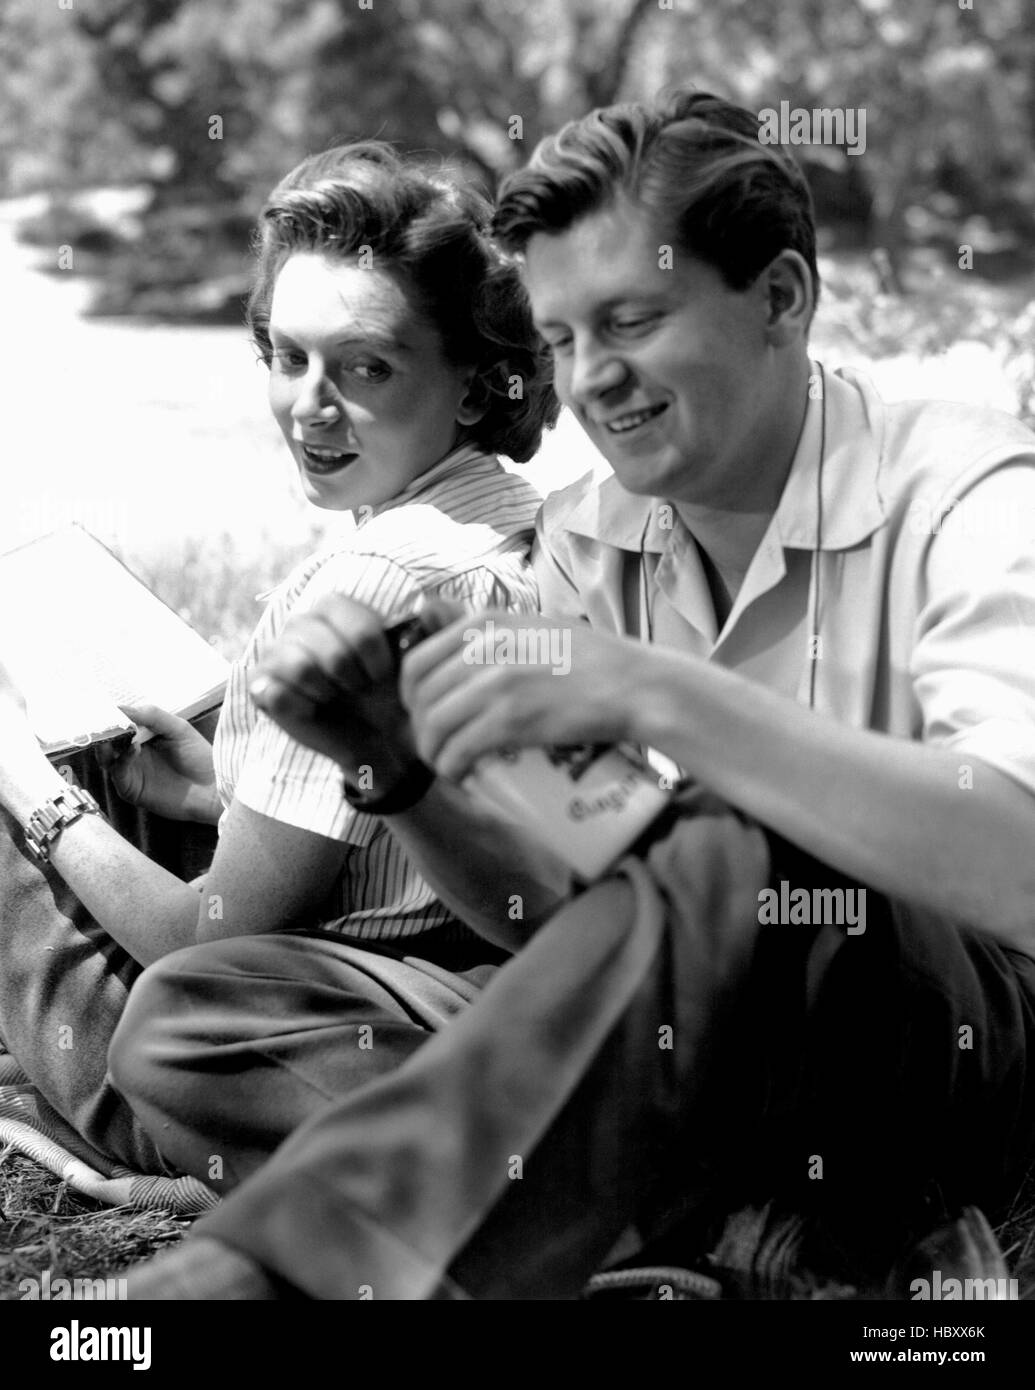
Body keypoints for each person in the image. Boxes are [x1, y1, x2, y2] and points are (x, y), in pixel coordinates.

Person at [120, 90, 1035, 1299]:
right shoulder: (583, 540)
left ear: (781, 299)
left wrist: (662, 697)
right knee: (197, 1006)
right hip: (681, 1027)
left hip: (945, 1034)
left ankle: (288, 1269)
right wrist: (391, 769)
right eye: (560, 339)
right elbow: (546, 905)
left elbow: (1018, 855)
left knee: (737, 857)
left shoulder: (966, 490)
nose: (594, 379)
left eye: (631, 321)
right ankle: (724, 1233)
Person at [0, 142, 556, 1177]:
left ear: (477, 389)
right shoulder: (529, 531)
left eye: (365, 366)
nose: (310, 403)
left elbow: (198, 942)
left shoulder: (372, 581)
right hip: (447, 994)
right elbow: (429, 837)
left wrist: (35, 794)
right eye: (286, 357)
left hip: (310, 1037)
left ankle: (98, 1108)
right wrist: (222, 793)